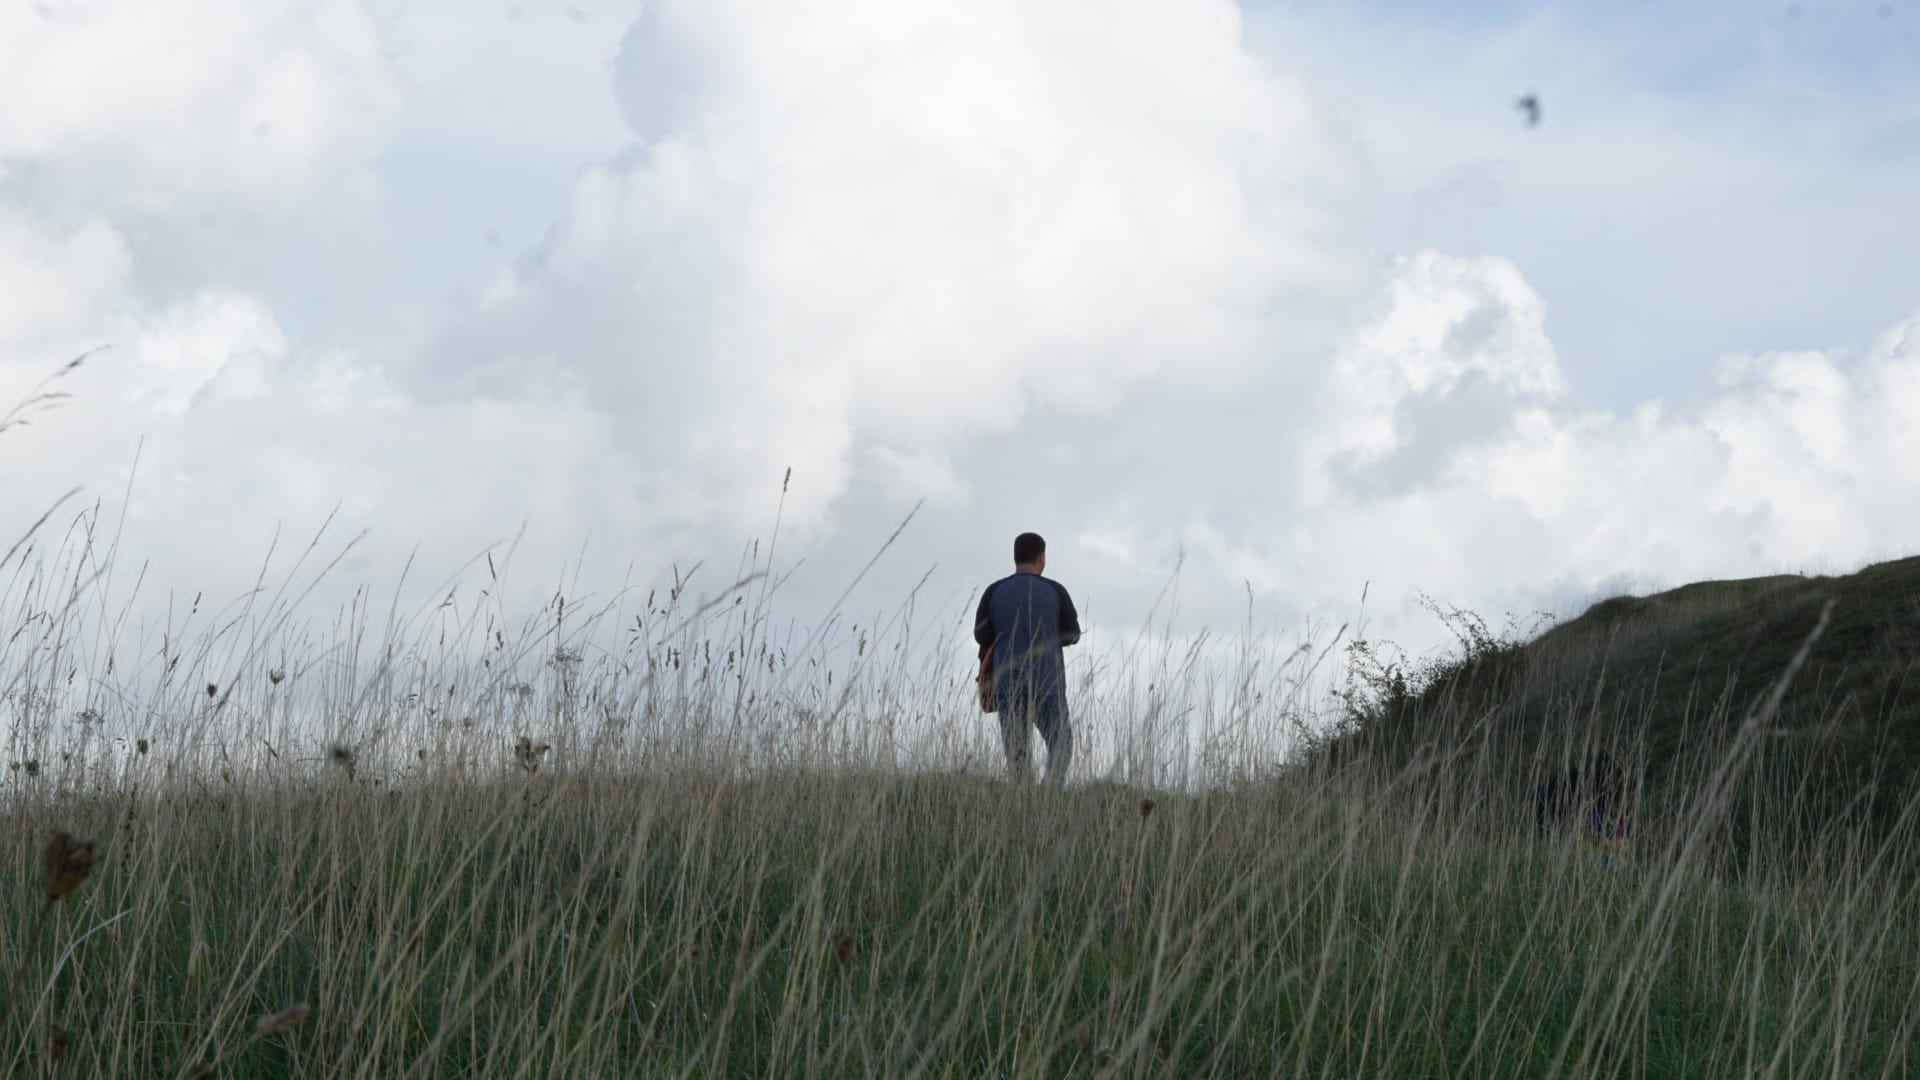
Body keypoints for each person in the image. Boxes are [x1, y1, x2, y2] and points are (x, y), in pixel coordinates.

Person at [975, 532, 1081, 784]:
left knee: (1017, 753)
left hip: (1008, 682)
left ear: (1016, 557)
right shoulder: (1055, 590)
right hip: (1048, 682)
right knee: (1060, 743)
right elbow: (1072, 635)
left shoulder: (994, 591)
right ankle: (1050, 796)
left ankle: (1022, 805)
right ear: (1041, 557)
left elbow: (981, 634)